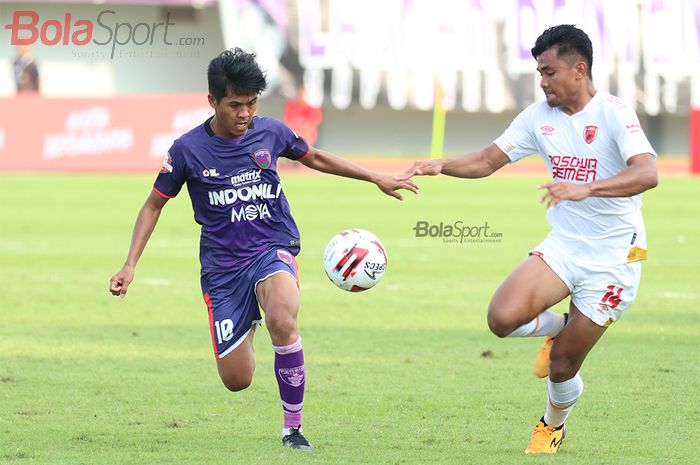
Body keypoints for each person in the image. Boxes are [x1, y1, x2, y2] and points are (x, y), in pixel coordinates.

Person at [109, 48, 418, 450]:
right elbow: (154, 204)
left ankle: (294, 430)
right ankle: (245, 323)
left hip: (272, 248)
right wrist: (130, 264)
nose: (245, 114)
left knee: (284, 319)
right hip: (222, 269)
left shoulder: (271, 132)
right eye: (235, 104)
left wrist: (375, 177)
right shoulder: (186, 151)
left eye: (252, 103)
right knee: (237, 380)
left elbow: (316, 157)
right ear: (212, 102)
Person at [398, 24, 657, 454]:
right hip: (566, 245)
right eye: (539, 72)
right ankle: (558, 329)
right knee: (501, 319)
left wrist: (586, 188)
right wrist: (440, 165)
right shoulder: (540, 117)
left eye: (549, 72)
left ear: (579, 69)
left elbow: (647, 173)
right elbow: (486, 161)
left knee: (562, 366)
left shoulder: (614, 113)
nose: (542, 81)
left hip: (615, 258)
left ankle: (551, 425)